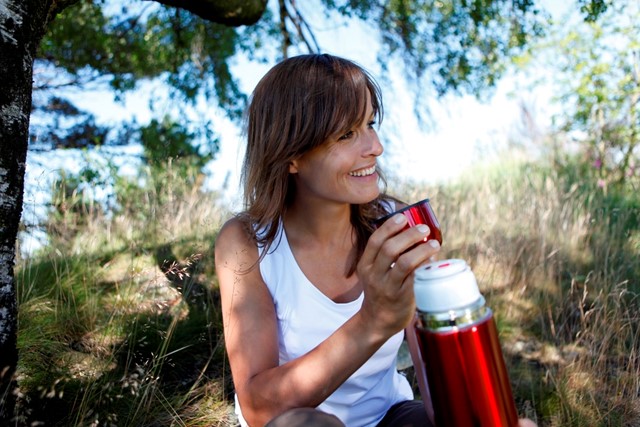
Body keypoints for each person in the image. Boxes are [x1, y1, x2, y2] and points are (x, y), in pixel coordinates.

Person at [214, 53, 537, 427]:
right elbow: (258, 409)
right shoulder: (246, 242)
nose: (375, 147)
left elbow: (436, 380)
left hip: (390, 417)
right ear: (292, 156)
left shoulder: (397, 224)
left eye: (370, 123)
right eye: (347, 134)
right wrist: (374, 321)